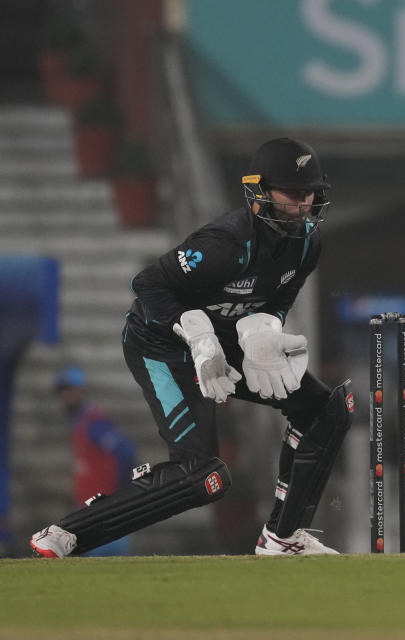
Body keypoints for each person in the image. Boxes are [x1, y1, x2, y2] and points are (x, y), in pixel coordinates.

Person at [31, 137, 354, 558]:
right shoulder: (226, 243)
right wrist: (194, 331)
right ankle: (68, 533)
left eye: (311, 194)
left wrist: (264, 330)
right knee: (202, 475)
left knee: (326, 410)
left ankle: (283, 536)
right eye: (293, 195)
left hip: (223, 343)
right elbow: (147, 284)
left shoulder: (309, 244)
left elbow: (279, 297)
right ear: (260, 192)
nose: (304, 205)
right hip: (159, 345)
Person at [54, 366, 136, 556]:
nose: (64, 397)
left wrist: (117, 494)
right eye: (61, 392)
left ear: (81, 391)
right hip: (89, 510)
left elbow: (125, 452)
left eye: (68, 390)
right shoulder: (80, 422)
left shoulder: (93, 422)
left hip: (102, 513)